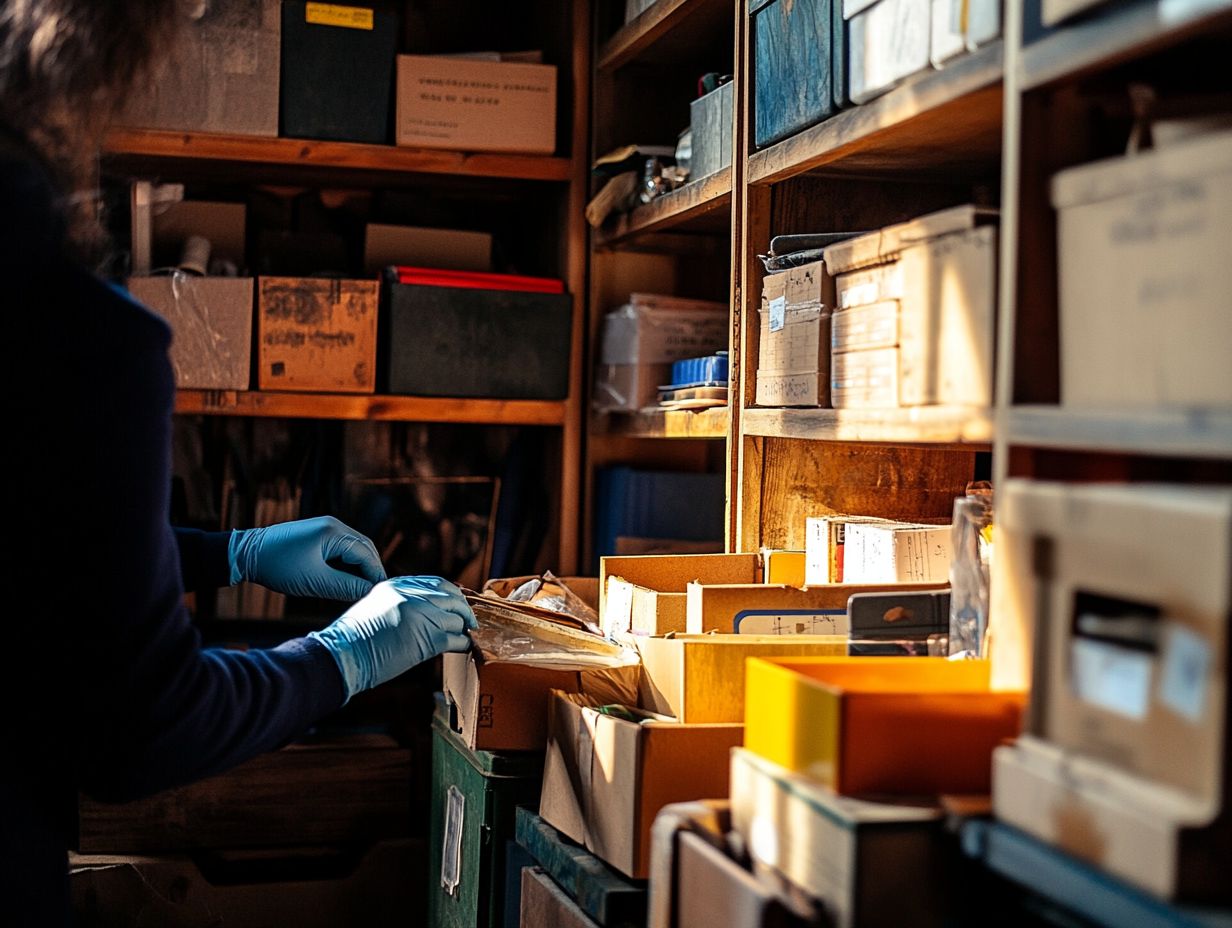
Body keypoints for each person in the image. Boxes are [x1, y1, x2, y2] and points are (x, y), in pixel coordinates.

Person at [0, 3, 477, 923]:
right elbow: (142, 728)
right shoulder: (83, 342)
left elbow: (26, 528)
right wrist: (342, 656)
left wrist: (229, 552)